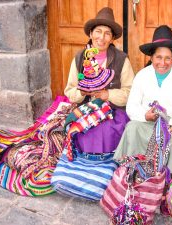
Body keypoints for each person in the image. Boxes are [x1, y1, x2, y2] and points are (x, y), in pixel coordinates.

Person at [114, 25, 172, 175]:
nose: (163, 63)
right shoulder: (142, 75)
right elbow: (132, 106)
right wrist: (145, 115)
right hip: (150, 123)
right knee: (132, 128)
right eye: (158, 57)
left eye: (168, 58)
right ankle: (133, 171)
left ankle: (171, 179)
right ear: (151, 57)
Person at [64, 7, 134, 154]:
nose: (101, 37)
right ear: (91, 34)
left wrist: (107, 94)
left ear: (112, 38)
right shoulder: (79, 59)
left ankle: (103, 162)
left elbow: (130, 92)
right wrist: (81, 92)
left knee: (104, 130)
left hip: (114, 111)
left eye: (107, 33)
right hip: (86, 108)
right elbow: (70, 90)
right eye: (98, 31)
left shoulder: (121, 59)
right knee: (83, 129)